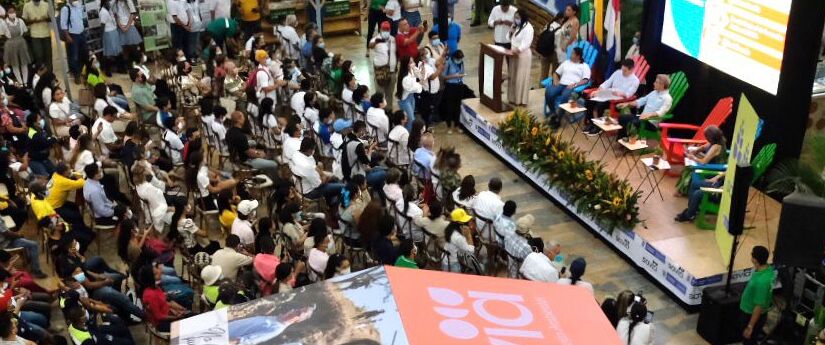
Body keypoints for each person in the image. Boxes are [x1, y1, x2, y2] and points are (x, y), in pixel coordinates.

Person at [583, 59, 640, 135]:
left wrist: (621, 93)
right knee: (589, 101)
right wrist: (598, 91)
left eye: (625, 71)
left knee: (600, 106)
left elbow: (629, 94)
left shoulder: (635, 80)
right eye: (622, 69)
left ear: (631, 70)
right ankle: (592, 123)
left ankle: (598, 127)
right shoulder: (617, 73)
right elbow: (607, 83)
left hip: (619, 101)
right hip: (608, 95)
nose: (622, 72)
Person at [290, 138, 346, 206]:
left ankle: (331, 201)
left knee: (335, 178)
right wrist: (326, 178)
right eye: (313, 149)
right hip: (310, 192)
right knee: (343, 187)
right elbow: (319, 184)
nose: (314, 151)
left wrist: (322, 174)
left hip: (306, 184)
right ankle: (341, 206)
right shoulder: (306, 167)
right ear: (309, 150)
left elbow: (314, 166)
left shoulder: (297, 153)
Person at [224, 111, 279, 179]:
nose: (244, 118)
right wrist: (260, 154)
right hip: (244, 162)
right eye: (243, 117)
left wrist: (255, 151)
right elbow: (249, 153)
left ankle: (262, 172)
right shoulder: (240, 136)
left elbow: (244, 147)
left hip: (235, 157)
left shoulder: (229, 132)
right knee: (274, 164)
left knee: (253, 142)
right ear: (239, 120)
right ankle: (270, 182)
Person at [616, 74, 672, 138]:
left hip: (651, 122)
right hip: (642, 118)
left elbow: (661, 112)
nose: (653, 83)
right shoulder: (654, 92)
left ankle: (629, 141)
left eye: (656, 82)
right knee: (622, 117)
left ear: (662, 85)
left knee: (634, 122)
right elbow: (641, 101)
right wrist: (627, 104)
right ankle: (622, 140)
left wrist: (648, 115)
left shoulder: (667, 98)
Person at [739, 245, 775, 344]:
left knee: (748, 341)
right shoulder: (768, 269)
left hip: (750, 314)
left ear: (755, 259)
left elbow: (758, 306)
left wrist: (750, 326)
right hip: (753, 313)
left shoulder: (761, 282)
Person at [138, 265, 188, 333]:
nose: (160, 272)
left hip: (167, 315)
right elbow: (159, 317)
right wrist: (177, 318)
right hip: (161, 324)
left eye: (157, 270)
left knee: (191, 316)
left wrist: (180, 309)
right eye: (156, 273)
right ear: (151, 278)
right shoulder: (150, 295)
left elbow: (164, 303)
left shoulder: (156, 287)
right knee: (189, 325)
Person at [545, 47, 591, 117]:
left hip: (571, 87)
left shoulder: (584, 66)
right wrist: (555, 80)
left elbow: (586, 80)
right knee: (549, 92)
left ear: (578, 56)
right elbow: (556, 73)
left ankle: (559, 117)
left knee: (565, 97)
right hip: (560, 84)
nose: (570, 54)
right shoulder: (566, 62)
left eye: (572, 53)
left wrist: (575, 85)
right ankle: (553, 112)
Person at [507, 10, 534, 107]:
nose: (516, 20)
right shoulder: (515, 25)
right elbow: (508, 38)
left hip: (523, 55)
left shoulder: (528, 28)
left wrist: (517, 50)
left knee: (521, 78)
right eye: (515, 17)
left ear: (523, 17)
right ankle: (512, 98)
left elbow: (526, 43)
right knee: (513, 76)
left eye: (518, 18)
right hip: (513, 53)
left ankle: (520, 100)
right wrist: (511, 31)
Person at [370, 22, 397, 110]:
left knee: (389, 93)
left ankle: (388, 111)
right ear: (381, 29)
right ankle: (379, 111)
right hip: (380, 72)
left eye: (387, 29)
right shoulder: (376, 39)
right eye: (384, 29)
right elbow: (370, 45)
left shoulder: (393, 39)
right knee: (380, 93)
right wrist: (376, 42)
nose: (385, 31)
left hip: (392, 71)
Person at [2, 7, 31, 85]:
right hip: (10, 43)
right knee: (15, 64)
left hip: (21, 42)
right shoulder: (4, 23)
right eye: (10, 12)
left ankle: (25, 82)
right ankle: (20, 82)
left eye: (13, 11)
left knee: (24, 62)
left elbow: (25, 30)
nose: (12, 13)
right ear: (7, 13)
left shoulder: (20, 21)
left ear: (15, 12)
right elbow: (2, 33)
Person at [60, 0, 87, 82]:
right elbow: (63, 23)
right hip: (72, 35)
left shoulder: (79, 5)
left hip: (82, 33)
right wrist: (67, 36)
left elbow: (82, 18)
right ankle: (76, 75)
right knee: (74, 57)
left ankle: (81, 70)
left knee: (83, 54)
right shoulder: (65, 9)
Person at [22, 0, 51, 72]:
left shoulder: (46, 4)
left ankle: (50, 74)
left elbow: (51, 18)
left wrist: (45, 18)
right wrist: (32, 21)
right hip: (35, 34)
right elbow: (24, 21)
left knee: (48, 55)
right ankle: (41, 75)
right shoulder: (27, 5)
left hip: (46, 33)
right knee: (38, 56)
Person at [441, 49, 466, 133]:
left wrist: (461, 76)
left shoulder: (461, 62)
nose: (459, 60)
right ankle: (449, 126)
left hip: (459, 85)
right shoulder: (448, 62)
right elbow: (444, 76)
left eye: (461, 59)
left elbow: (463, 72)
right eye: (458, 59)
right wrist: (454, 76)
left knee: (457, 107)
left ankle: (457, 125)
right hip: (450, 86)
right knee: (450, 107)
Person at [113, 0, 142, 66]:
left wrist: (127, 27)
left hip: (130, 27)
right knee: (124, 49)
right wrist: (121, 26)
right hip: (121, 28)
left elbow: (132, 14)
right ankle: (128, 66)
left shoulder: (129, 2)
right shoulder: (115, 4)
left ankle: (138, 64)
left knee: (133, 47)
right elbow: (116, 17)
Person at [397, 56, 422, 130]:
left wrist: (415, 68)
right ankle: (408, 137)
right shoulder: (405, 78)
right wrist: (421, 84)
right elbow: (413, 88)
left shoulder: (411, 70)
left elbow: (420, 76)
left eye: (413, 61)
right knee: (411, 120)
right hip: (405, 101)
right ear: (406, 64)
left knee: (410, 119)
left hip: (411, 97)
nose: (413, 63)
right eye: (411, 62)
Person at [99, 1, 121, 76]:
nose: (109, 3)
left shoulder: (108, 9)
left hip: (113, 31)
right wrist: (102, 37)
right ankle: (107, 70)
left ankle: (116, 68)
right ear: (104, 3)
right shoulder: (103, 12)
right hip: (108, 33)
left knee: (115, 51)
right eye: (107, 2)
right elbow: (102, 26)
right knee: (109, 53)